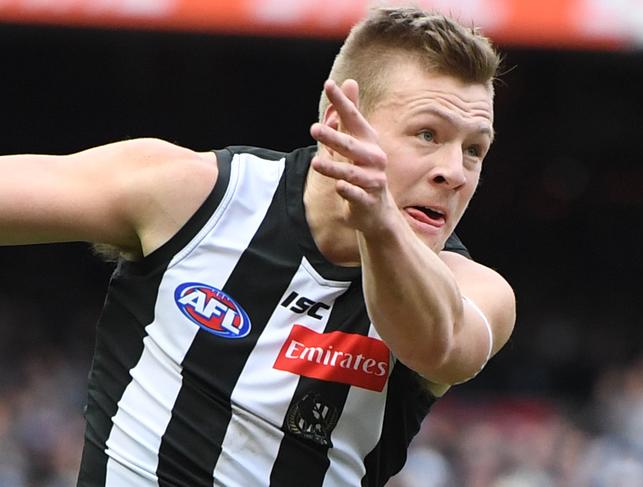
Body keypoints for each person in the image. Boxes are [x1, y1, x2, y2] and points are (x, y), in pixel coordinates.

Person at [0, 6, 516, 487]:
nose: (454, 172)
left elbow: (439, 347)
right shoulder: (195, 195)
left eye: (474, 150)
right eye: (427, 134)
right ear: (339, 125)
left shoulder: (475, 290)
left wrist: (379, 224)